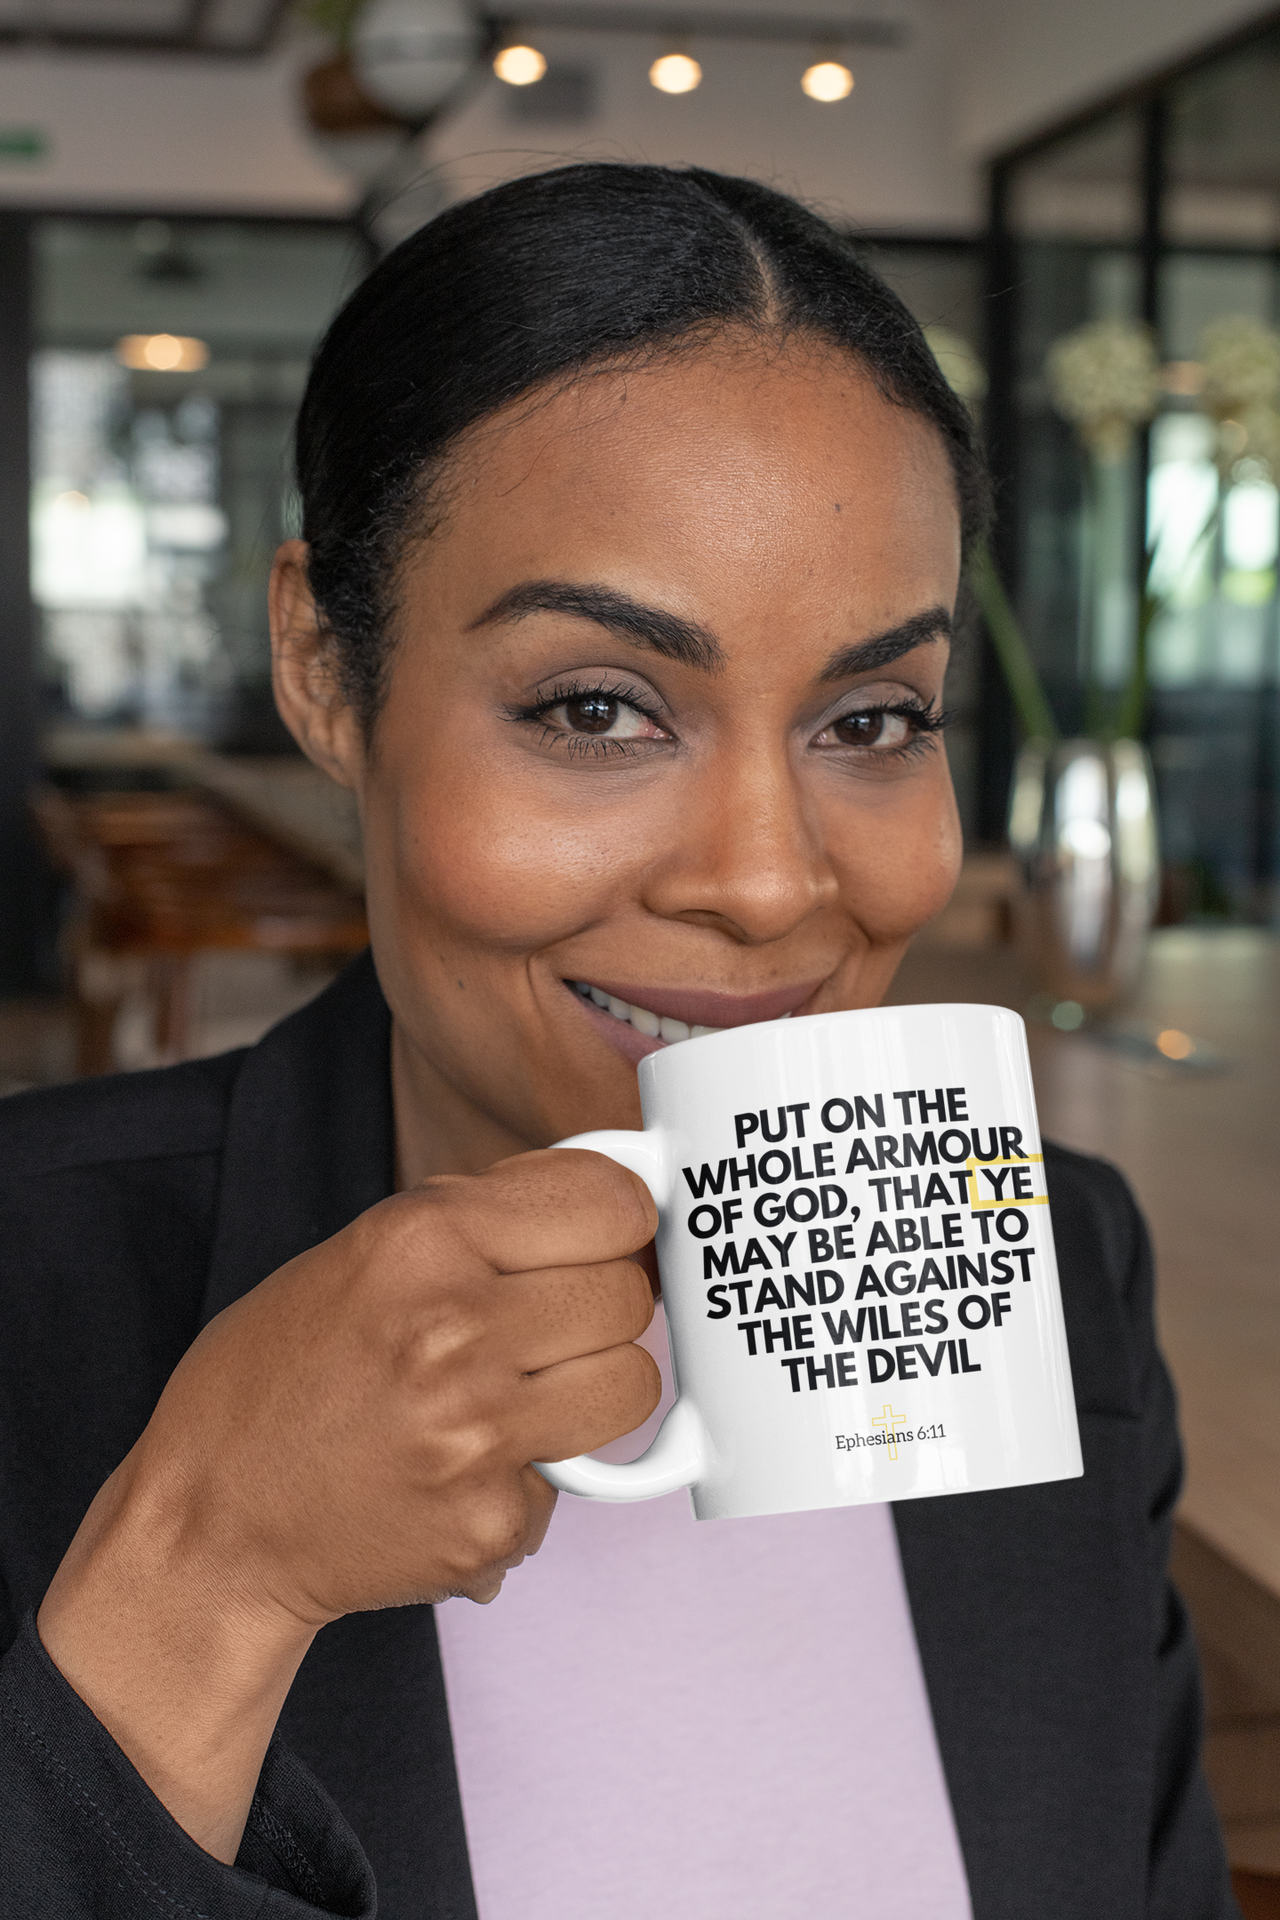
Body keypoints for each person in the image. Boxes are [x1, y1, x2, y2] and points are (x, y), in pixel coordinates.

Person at [0, 163, 1236, 1920]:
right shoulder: (34, 1285)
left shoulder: (1058, 1258)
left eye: (873, 716)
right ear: (323, 669)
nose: (764, 880)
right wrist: (210, 1571)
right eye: (597, 707)